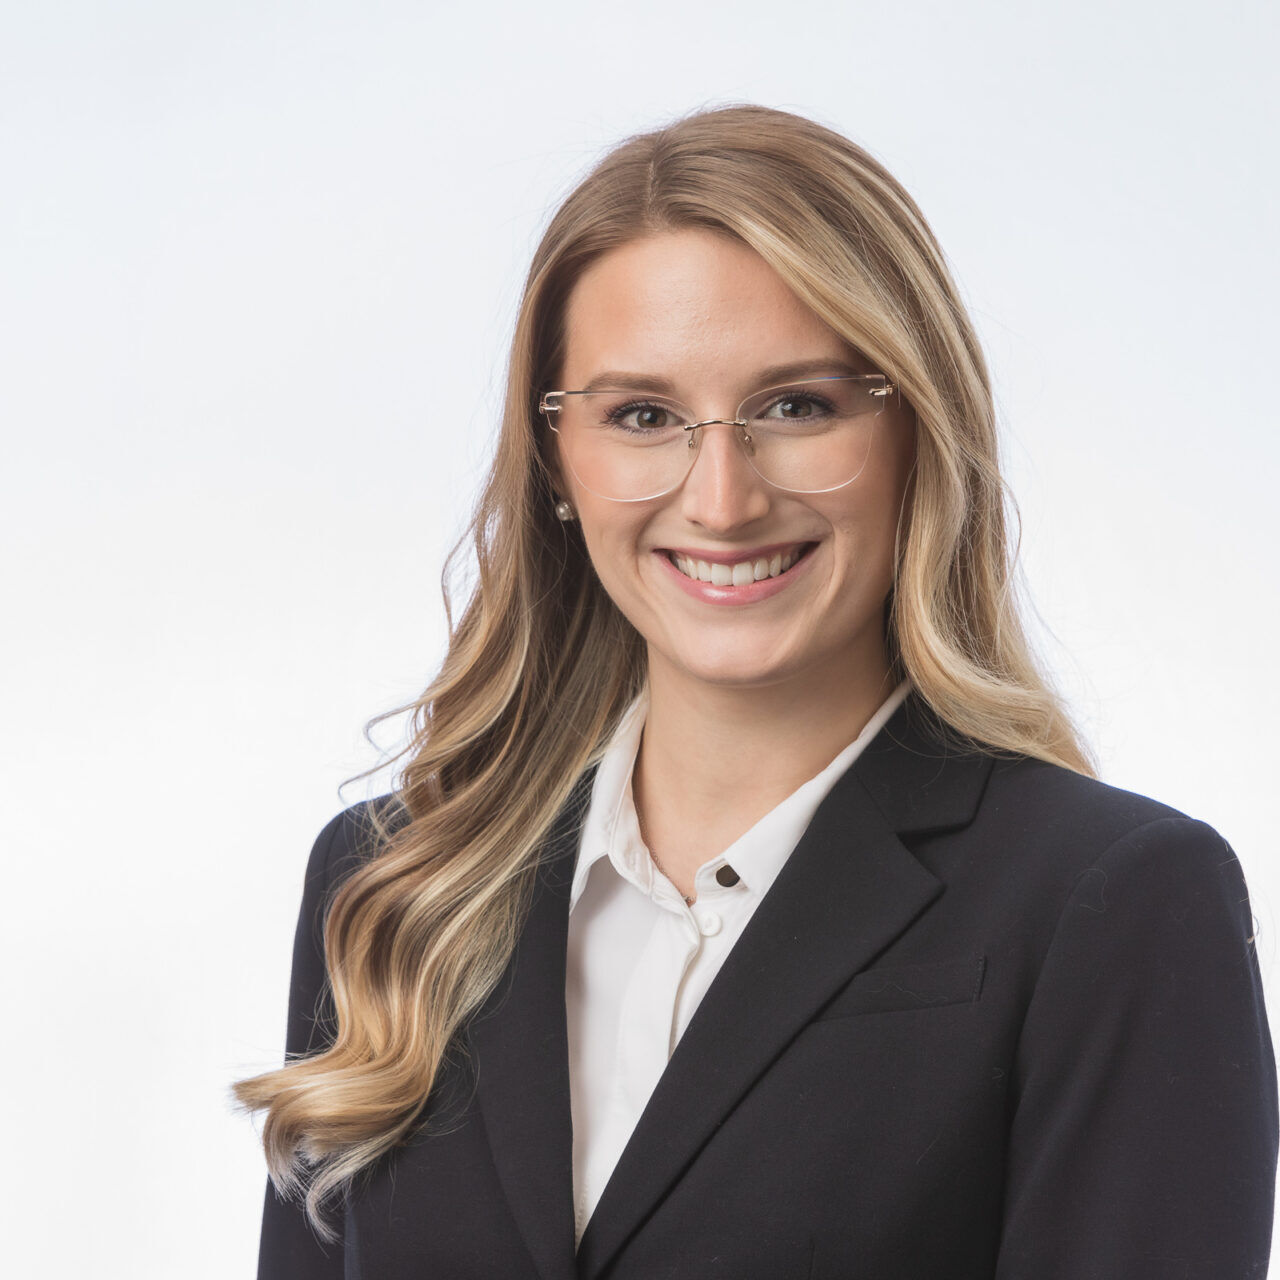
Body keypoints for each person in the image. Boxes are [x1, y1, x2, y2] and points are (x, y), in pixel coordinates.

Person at [233, 104, 1278, 1279]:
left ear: (915, 434)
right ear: (557, 464)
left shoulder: (1110, 901)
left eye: (796, 407)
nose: (720, 498)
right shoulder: (397, 883)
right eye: (642, 415)